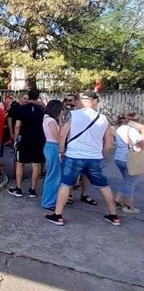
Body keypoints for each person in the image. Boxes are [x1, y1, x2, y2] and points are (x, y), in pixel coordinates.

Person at [46, 91, 120, 226]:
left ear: (80, 101)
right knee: (103, 186)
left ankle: (58, 215)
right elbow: (109, 141)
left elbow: (62, 135)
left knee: (65, 184)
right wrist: (102, 155)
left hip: (73, 156)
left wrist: (62, 151)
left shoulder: (72, 115)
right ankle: (113, 215)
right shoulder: (103, 118)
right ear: (95, 101)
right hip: (94, 158)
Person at [8, 89, 45, 198]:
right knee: (36, 164)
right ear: (38, 97)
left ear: (28, 97)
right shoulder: (42, 110)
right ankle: (32, 189)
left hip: (24, 138)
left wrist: (15, 139)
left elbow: (17, 125)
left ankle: (19, 188)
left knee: (20, 163)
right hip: (38, 139)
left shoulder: (22, 109)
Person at [113, 113, 143, 213]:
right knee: (130, 182)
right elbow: (141, 143)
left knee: (127, 180)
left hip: (119, 157)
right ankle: (128, 205)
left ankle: (117, 200)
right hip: (130, 158)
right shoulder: (132, 130)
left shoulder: (121, 129)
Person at [41, 100, 64, 210]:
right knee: (53, 176)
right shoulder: (50, 120)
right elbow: (58, 136)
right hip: (53, 146)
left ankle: (51, 200)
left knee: (54, 175)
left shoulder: (47, 119)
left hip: (50, 146)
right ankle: (48, 202)